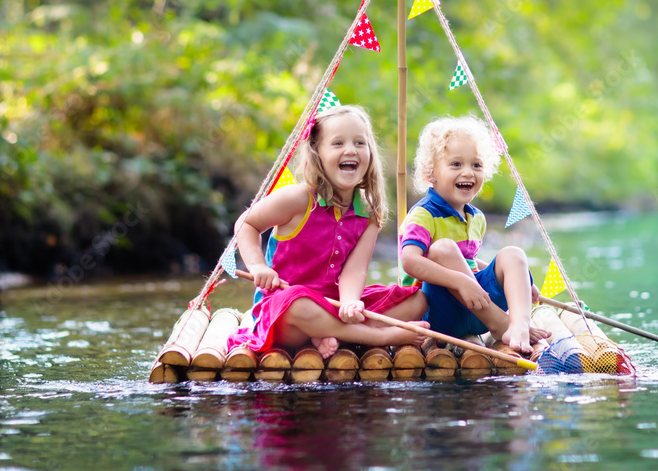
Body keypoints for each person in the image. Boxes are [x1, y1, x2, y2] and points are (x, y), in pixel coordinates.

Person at [228, 105, 428, 359]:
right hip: (286, 311)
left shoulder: (368, 212)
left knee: (417, 300)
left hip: (332, 304)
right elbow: (246, 224)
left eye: (360, 142)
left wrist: (349, 302)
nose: (350, 150)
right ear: (317, 153)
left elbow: (355, 269)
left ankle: (334, 332)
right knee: (299, 304)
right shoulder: (298, 198)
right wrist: (258, 267)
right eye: (337, 143)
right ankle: (378, 336)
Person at [398, 115, 549, 355]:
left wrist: (518, 281)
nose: (468, 172)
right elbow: (409, 261)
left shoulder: (476, 218)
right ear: (431, 172)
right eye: (456, 164)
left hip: (477, 306)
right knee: (442, 249)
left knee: (513, 254)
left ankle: (519, 323)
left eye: (476, 165)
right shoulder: (423, 215)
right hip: (441, 311)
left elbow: (469, 263)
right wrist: (461, 281)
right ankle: (502, 324)